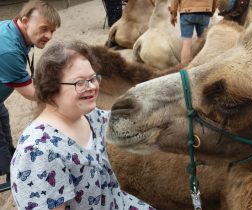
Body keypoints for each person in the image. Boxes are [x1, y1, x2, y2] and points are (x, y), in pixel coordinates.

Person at [10, 40, 156, 210]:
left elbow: (131, 122)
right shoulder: (38, 151)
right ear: (51, 87)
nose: (92, 86)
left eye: (93, 78)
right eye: (80, 82)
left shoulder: (89, 117)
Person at [0, 0, 60, 192]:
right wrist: (62, 91)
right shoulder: (8, 49)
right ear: (25, 21)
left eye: (52, 30)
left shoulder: (15, 31)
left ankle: (9, 164)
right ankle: (7, 178)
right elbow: (32, 93)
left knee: (3, 120)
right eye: (44, 29)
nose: (49, 36)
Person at [170, 0, 216, 66]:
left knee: (186, 43)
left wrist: (173, 14)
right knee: (202, 43)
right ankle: (201, 67)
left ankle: (184, 68)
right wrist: (212, 10)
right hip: (205, 11)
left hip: (187, 11)